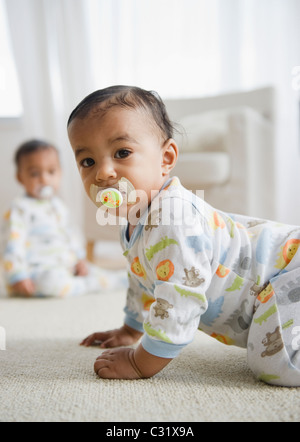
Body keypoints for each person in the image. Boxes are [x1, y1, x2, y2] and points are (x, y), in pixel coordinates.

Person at [67, 85, 300, 387]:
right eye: (88, 161)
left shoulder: (174, 220)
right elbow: (144, 278)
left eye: (122, 153)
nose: (103, 173)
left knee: (276, 363)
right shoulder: (136, 222)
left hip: (287, 272)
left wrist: (141, 362)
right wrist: (131, 328)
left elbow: (180, 299)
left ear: (165, 158)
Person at [3, 139, 124, 298]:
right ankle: (87, 285)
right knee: (50, 282)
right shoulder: (19, 208)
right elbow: (12, 245)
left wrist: (80, 259)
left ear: (60, 173)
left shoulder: (59, 206)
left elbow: (70, 235)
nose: (44, 179)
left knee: (93, 270)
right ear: (20, 177)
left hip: (67, 266)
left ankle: (120, 279)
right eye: (34, 174)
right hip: (37, 272)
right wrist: (17, 275)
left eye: (51, 172)